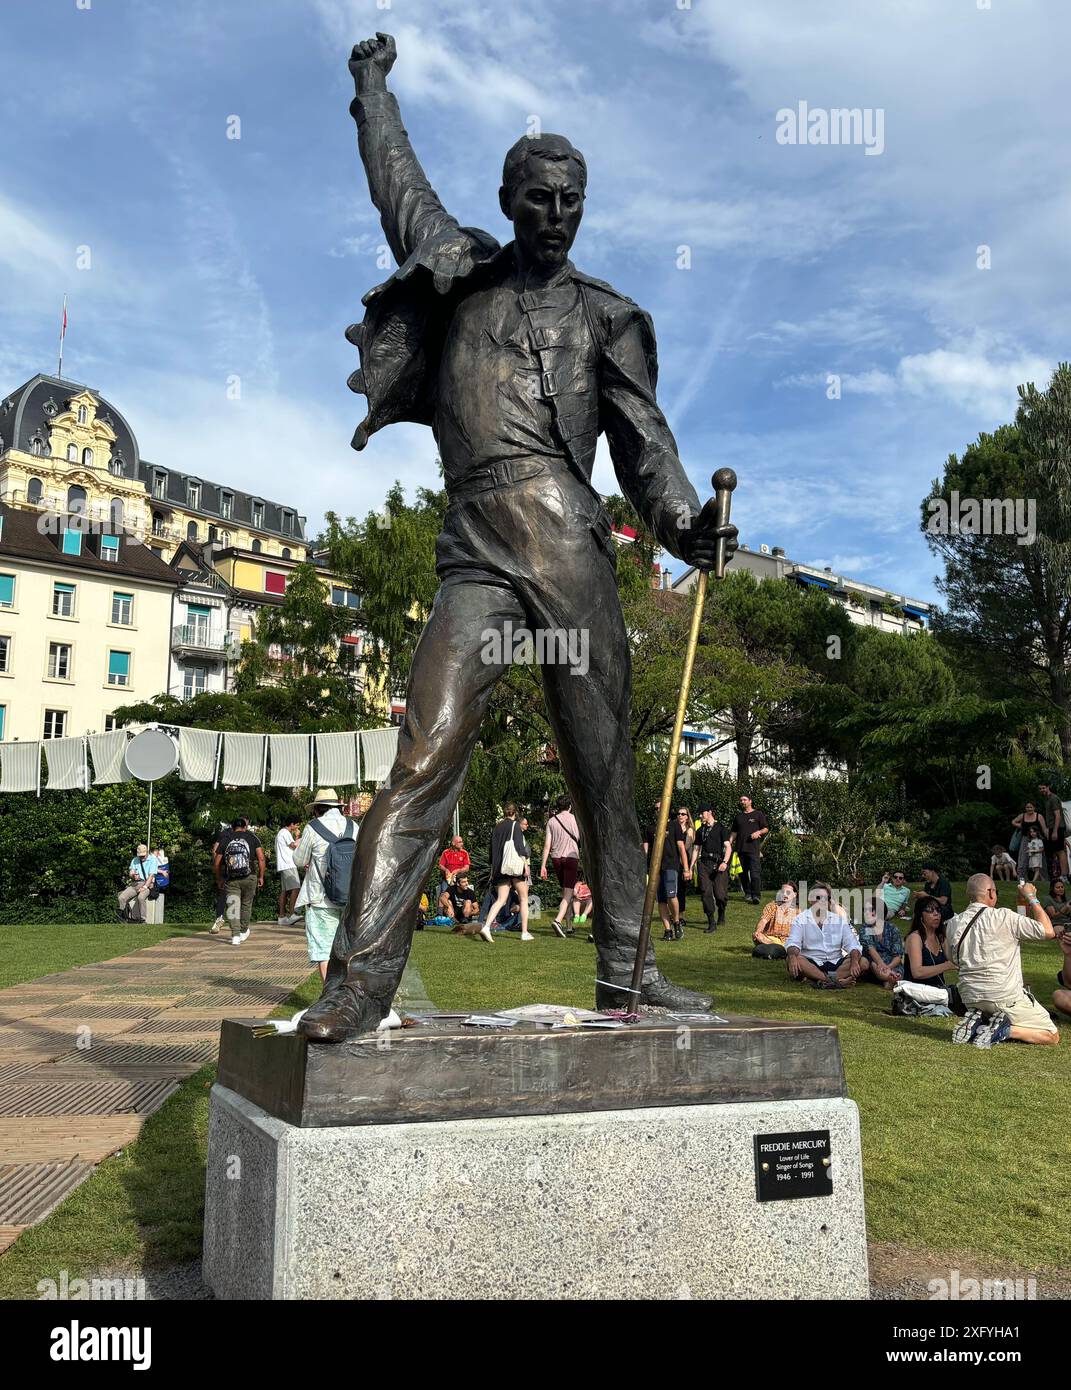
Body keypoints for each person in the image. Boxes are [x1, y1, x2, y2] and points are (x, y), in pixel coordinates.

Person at [298, 33, 737, 1041]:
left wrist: (682, 521)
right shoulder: (456, 276)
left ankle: (630, 969)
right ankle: (359, 984)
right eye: (538, 196)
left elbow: (646, 449)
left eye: (571, 200)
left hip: (572, 548)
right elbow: (394, 179)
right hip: (476, 552)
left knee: (603, 765)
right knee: (424, 751)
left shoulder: (608, 316)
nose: (555, 214)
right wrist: (370, 89)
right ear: (508, 200)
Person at [946, 874, 1059, 1046]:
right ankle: (1005, 1029)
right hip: (1003, 996)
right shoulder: (1004, 916)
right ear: (991, 892)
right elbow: (1047, 931)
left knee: (999, 1010)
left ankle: (980, 1024)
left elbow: (952, 959)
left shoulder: (953, 923)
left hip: (969, 997)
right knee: (1051, 1035)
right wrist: (1031, 897)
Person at [294, 790, 356, 983]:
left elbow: (299, 860)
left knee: (324, 950)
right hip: (350, 897)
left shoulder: (312, 828)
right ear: (338, 807)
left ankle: (331, 998)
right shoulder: (353, 826)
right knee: (349, 949)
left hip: (320, 898)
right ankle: (350, 996)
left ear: (317, 810)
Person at [785, 883, 866, 988]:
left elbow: (853, 945)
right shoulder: (800, 919)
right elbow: (793, 943)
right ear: (810, 899)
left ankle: (821, 979)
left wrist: (854, 962)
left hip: (836, 962)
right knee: (795, 959)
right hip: (812, 962)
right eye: (818, 897)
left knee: (863, 962)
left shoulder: (839, 920)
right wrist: (792, 956)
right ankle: (835, 981)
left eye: (825, 898)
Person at [477, 803, 532, 944]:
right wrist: (525, 865)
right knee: (524, 898)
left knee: (501, 899)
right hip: (513, 866)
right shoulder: (515, 826)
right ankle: (524, 932)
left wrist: (493, 866)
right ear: (515, 813)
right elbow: (520, 847)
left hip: (500, 867)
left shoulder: (497, 827)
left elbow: (492, 849)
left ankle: (487, 926)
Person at [213, 816, 265, 946]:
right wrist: (261, 876)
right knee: (246, 905)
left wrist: (219, 878)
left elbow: (217, 863)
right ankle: (243, 931)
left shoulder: (226, 839)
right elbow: (261, 858)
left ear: (232, 827)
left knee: (233, 905)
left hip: (232, 878)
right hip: (250, 876)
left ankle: (235, 935)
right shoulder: (253, 838)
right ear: (245, 827)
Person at [644, 799, 688, 942]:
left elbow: (681, 847)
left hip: (671, 865)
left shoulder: (674, 825)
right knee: (661, 900)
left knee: (671, 895)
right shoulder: (650, 828)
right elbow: (645, 850)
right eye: (656, 809)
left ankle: (676, 922)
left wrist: (686, 868)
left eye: (660, 808)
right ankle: (667, 930)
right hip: (655, 869)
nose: (658, 811)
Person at [540, 795, 582, 937]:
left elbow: (547, 845)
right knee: (569, 892)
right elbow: (580, 838)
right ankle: (558, 920)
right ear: (570, 806)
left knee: (565, 892)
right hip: (571, 857)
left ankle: (569, 925)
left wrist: (543, 865)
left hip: (556, 857)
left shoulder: (551, 821)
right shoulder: (574, 819)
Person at [692, 807, 730, 933]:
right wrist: (690, 866)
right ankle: (711, 922)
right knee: (705, 892)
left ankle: (722, 910)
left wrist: (724, 862)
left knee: (720, 895)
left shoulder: (721, 828)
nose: (700, 816)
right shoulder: (700, 830)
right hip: (703, 864)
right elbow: (696, 849)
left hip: (719, 864)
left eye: (702, 813)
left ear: (709, 812)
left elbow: (728, 847)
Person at [903, 896, 954, 989]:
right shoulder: (915, 938)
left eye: (938, 910)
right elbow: (917, 972)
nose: (936, 914)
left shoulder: (941, 937)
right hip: (916, 993)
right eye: (930, 910)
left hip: (938, 991)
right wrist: (947, 965)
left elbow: (953, 960)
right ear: (920, 916)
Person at [729, 793, 768, 905]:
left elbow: (766, 828)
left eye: (745, 800)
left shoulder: (758, 814)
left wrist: (758, 832)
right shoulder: (738, 817)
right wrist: (729, 843)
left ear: (750, 801)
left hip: (753, 849)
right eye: (741, 800)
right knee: (743, 874)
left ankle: (756, 896)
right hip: (740, 849)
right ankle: (748, 893)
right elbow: (734, 832)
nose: (743, 802)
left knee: (755, 873)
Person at [858, 897, 904, 989]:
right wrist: (881, 964)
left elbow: (898, 955)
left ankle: (890, 979)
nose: (866, 913)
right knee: (877, 967)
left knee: (891, 977)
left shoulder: (892, 929)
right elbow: (871, 949)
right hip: (875, 960)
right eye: (865, 910)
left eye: (870, 910)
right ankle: (890, 978)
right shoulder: (865, 928)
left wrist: (889, 967)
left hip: (892, 962)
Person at [752, 882, 796, 959]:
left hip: (788, 941)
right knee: (758, 936)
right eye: (783, 892)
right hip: (771, 938)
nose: (785, 894)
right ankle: (777, 949)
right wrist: (758, 931)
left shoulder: (799, 911)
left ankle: (774, 950)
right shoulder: (772, 906)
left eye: (788, 892)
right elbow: (763, 921)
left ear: (795, 894)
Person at [117, 844, 158, 923]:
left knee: (141, 897)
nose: (142, 857)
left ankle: (142, 919)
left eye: (143, 856)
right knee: (121, 897)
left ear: (147, 852)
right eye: (140, 856)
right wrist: (132, 874)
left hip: (148, 883)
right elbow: (131, 872)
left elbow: (151, 876)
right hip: (135, 884)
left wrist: (145, 887)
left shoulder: (153, 860)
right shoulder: (135, 860)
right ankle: (123, 918)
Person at [275, 816, 302, 924]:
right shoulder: (285, 833)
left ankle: (281, 917)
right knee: (296, 887)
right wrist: (298, 837)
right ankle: (292, 914)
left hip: (284, 865)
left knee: (284, 891)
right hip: (288, 864)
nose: (298, 826)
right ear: (292, 824)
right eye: (297, 824)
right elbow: (294, 845)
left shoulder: (281, 833)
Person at [1011, 801, 1048, 880]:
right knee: (1023, 858)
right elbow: (1013, 822)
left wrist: (1047, 837)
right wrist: (1021, 826)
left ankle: (1043, 878)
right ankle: (1022, 878)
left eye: (1031, 807)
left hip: (1037, 839)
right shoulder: (1022, 816)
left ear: (1034, 808)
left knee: (1039, 858)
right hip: (1025, 839)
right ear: (1025, 808)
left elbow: (1044, 829)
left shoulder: (1039, 816)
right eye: (1027, 807)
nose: (1029, 809)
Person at [1037, 780, 1066, 878]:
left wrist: (1054, 831)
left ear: (1048, 787)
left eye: (1043, 788)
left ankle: (1064, 875)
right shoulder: (1047, 799)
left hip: (1057, 828)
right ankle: (1061, 874)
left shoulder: (1053, 798)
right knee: (1056, 851)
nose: (1042, 790)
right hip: (1052, 828)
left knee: (1060, 851)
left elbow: (1057, 815)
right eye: (1040, 789)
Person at [676, 808, 695, 918]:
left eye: (683, 814)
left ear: (687, 816)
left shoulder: (690, 830)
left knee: (681, 889)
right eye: (679, 814)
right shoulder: (674, 827)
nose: (680, 816)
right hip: (673, 859)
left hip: (683, 861)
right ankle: (674, 913)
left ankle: (681, 915)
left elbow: (686, 846)